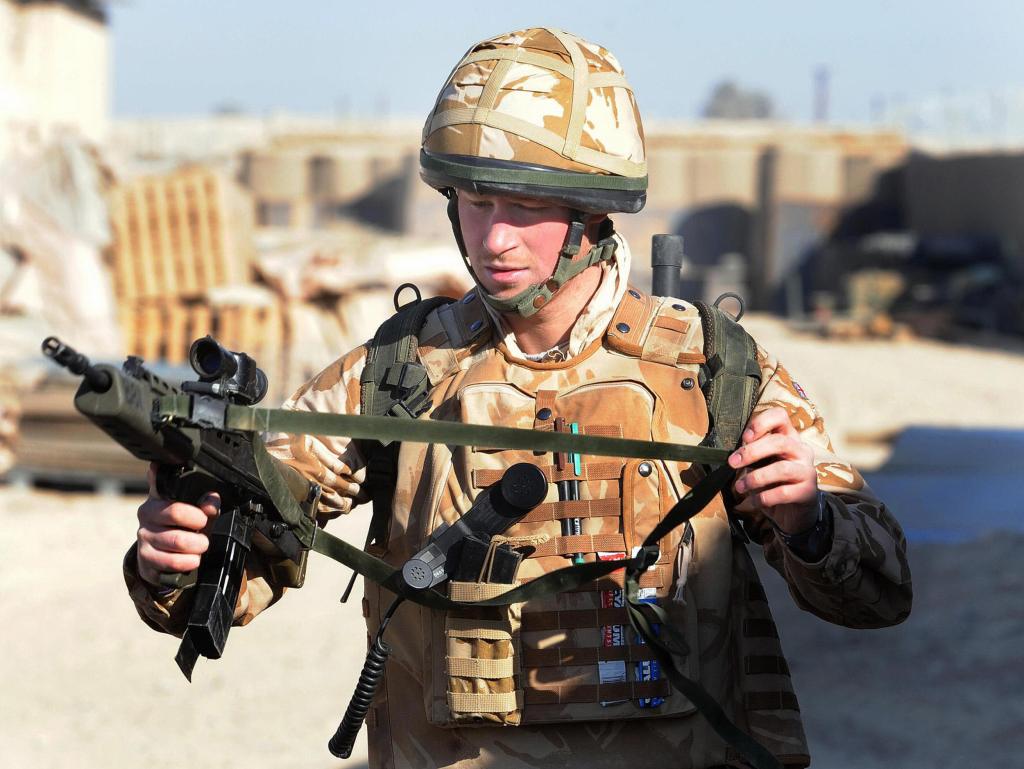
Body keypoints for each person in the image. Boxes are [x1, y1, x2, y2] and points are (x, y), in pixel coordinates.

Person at [125, 27, 912, 769]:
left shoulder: (713, 371)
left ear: (588, 210)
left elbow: (881, 594)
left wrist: (807, 521)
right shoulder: (401, 371)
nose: (494, 237)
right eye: (475, 201)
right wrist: (176, 556)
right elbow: (242, 556)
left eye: (524, 205)